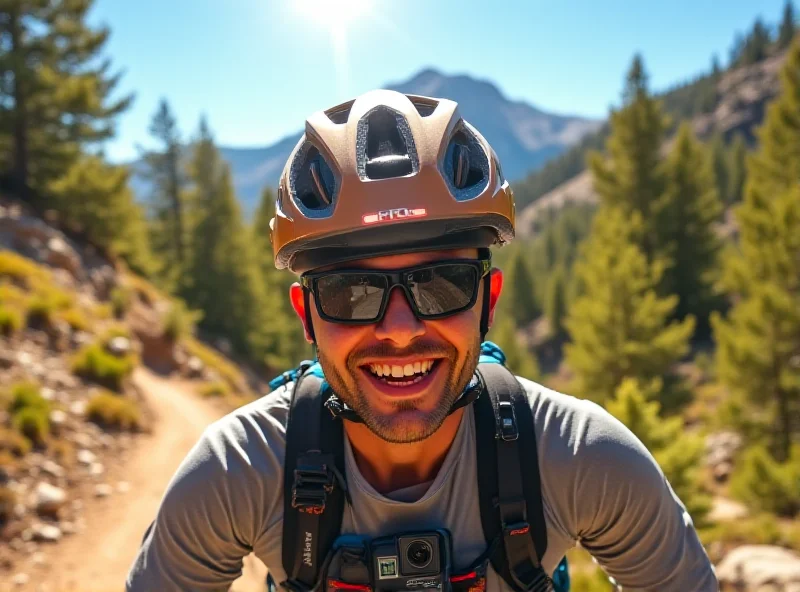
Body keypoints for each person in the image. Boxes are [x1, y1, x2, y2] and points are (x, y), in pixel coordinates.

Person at [125, 90, 719, 591]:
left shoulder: (585, 459)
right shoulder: (235, 473)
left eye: (440, 286)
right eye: (352, 294)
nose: (401, 330)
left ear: (487, 301)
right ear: (307, 316)